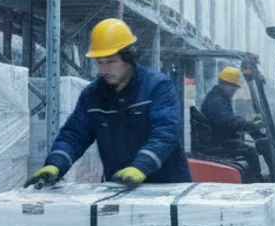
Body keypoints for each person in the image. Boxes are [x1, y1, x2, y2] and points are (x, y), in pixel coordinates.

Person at [25, 18, 190, 188]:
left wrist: (140, 167)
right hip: (120, 186)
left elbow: (166, 132)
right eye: (100, 62)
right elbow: (74, 135)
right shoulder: (93, 95)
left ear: (128, 57)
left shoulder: (157, 86)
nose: (104, 70)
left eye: (110, 61)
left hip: (167, 186)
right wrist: (55, 164)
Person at [197, 66, 266, 182]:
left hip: (218, 139)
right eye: (234, 88)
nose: (234, 91)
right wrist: (244, 123)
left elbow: (227, 119)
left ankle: (253, 179)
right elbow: (228, 121)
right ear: (228, 85)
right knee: (250, 152)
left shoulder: (218, 97)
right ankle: (256, 181)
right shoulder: (216, 101)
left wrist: (246, 123)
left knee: (247, 148)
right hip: (217, 143)